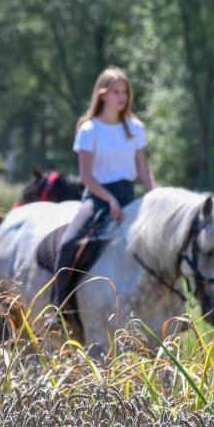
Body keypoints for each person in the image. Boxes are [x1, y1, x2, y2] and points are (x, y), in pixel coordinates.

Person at [51, 66, 155, 310]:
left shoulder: (135, 127)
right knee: (68, 243)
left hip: (129, 195)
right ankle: (57, 306)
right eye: (116, 91)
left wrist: (155, 197)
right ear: (103, 94)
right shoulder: (90, 129)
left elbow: (143, 169)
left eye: (125, 92)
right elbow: (86, 176)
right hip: (98, 197)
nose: (122, 97)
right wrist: (110, 199)